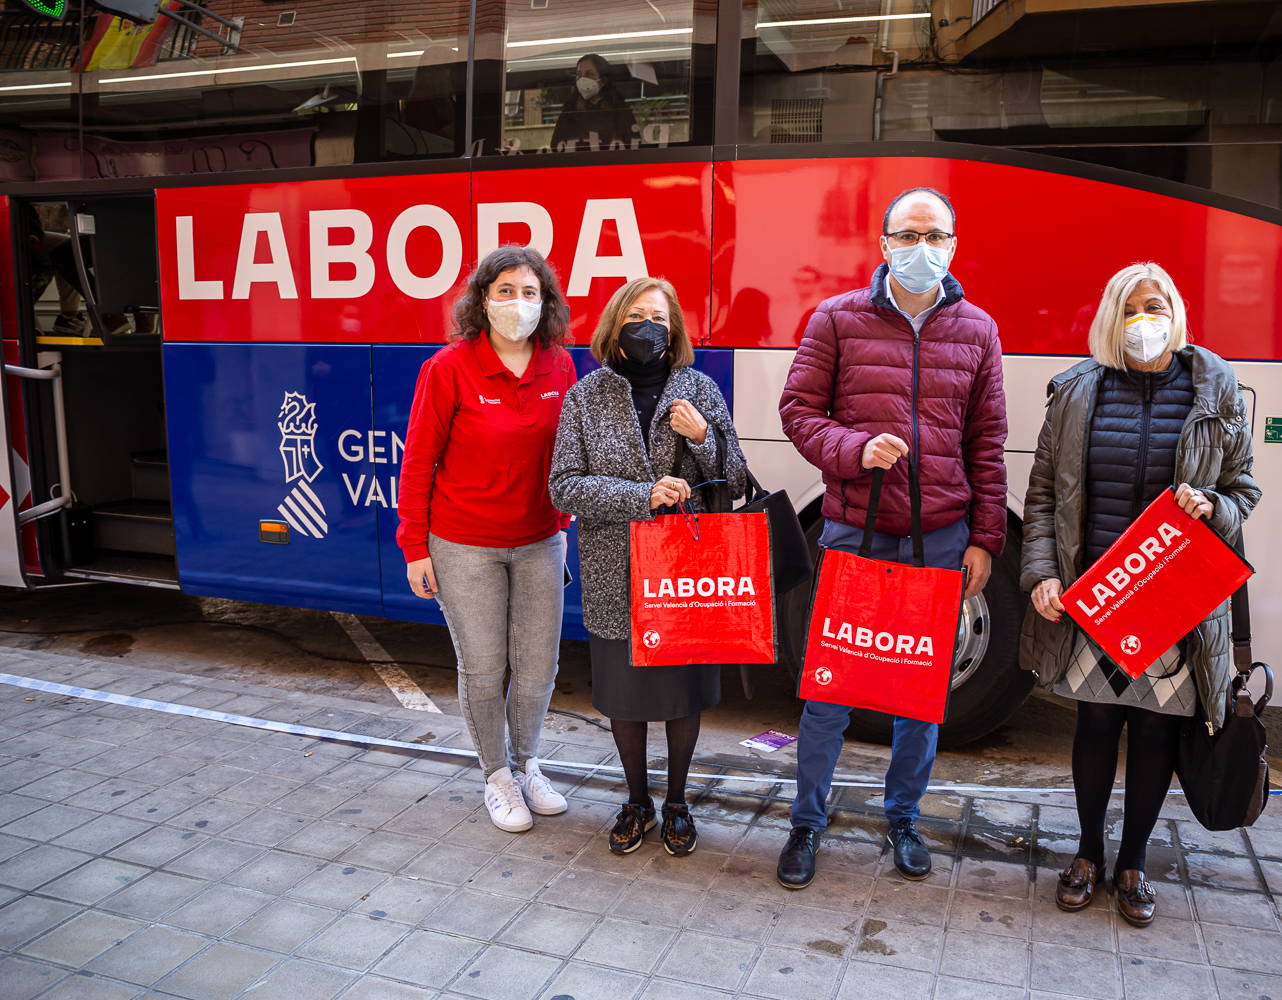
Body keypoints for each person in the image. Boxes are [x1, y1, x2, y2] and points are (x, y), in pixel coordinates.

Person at [777, 187, 1008, 889]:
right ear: (882, 246)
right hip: (855, 530)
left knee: (919, 696)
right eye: (906, 236)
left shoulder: (978, 329)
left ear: (953, 247)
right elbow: (798, 411)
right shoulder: (837, 319)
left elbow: (986, 444)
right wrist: (852, 451)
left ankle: (903, 817)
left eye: (934, 235)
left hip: (940, 539)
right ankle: (806, 823)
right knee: (828, 691)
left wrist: (985, 539)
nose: (920, 248)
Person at [1020, 261, 1260, 928]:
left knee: (1156, 731)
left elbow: (1244, 490)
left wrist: (1212, 505)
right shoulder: (1075, 391)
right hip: (1098, 594)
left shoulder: (1214, 391)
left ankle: (1133, 864)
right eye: (1130, 309)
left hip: (1174, 596)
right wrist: (1041, 573)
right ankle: (1088, 853)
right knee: (1095, 724)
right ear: (1110, 319)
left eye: (1155, 306)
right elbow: (1042, 499)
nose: (1143, 320)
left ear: (1176, 312)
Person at [550, 276, 747, 856]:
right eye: (638, 314)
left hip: (687, 573)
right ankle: (636, 801)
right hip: (616, 571)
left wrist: (704, 434)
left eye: (660, 317)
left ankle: (679, 803)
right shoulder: (587, 396)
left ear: (675, 329)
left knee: (682, 693)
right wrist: (643, 497)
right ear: (615, 324)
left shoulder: (700, 389)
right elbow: (564, 488)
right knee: (626, 695)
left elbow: (734, 479)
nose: (649, 327)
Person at [397, 246, 577, 835]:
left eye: (530, 293)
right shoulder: (447, 369)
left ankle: (528, 765)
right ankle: (496, 776)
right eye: (505, 291)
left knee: (538, 667)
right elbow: (419, 461)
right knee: (483, 667)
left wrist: (567, 518)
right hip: (464, 543)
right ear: (481, 300)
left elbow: (569, 453)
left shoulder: (559, 365)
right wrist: (414, 547)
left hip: (539, 541)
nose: (517, 304)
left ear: (545, 302)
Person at [550, 53, 639, 151]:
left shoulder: (619, 107)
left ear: (604, 80)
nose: (582, 79)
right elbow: (556, 145)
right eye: (579, 74)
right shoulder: (570, 108)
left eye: (589, 74)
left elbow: (633, 143)